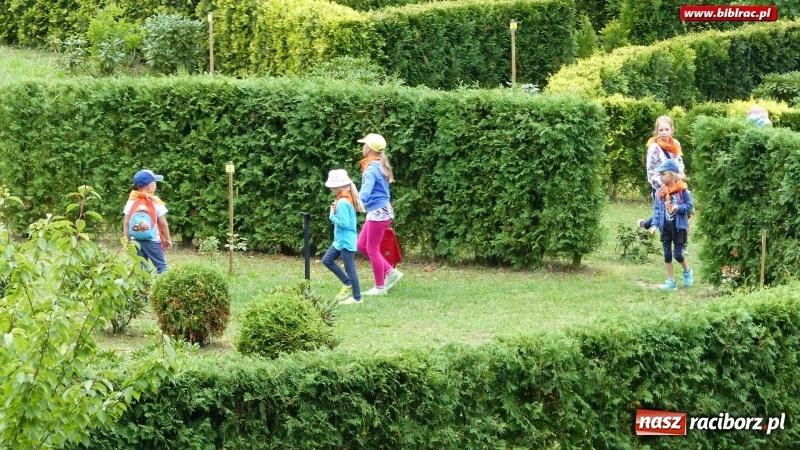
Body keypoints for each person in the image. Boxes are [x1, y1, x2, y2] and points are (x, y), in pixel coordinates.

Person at [356, 133, 403, 296]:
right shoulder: (377, 164)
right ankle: (391, 273)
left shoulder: (371, 168)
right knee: (361, 246)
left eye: (364, 145)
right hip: (379, 211)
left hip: (378, 212)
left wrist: (351, 203)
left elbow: (365, 193)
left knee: (371, 248)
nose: (362, 147)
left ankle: (380, 287)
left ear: (368, 148)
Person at [637, 159, 694, 291]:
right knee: (667, 255)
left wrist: (678, 208)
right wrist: (655, 225)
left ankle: (687, 271)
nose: (660, 177)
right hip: (666, 228)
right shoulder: (660, 193)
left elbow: (689, 206)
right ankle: (671, 282)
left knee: (678, 255)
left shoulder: (683, 191)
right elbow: (657, 211)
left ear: (673, 175)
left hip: (679, 227)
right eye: (660, 174)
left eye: (663, 174)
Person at [322, 169, 365, 305]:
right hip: (340, 240)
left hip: (346, 241)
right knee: (327, 260)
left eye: (332, 187)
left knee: (350, 269)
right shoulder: (343, 199)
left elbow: (345, 223)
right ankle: (347, 283)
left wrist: (332, 216)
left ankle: (357, 298)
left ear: (337, 187)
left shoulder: (343, 202)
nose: (331, 189)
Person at [123, 169, 172, 274]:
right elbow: (163, 223)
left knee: (142, 269)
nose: (156, 185)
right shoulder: (155, 201)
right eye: (155, 183)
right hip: (153, 240)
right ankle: (161, 288)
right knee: (161, 268)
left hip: (136, 241)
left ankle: (143, 289)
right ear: (150, 186)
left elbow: (127, 223)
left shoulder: (132, 200)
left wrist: (127, 240)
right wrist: (167, 239)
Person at [645, 115, 686, 201]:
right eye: (661, 130)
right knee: (662, 213)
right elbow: (651, 171)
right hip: (662, 189)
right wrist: (664, 184)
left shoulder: (676, 144)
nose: (664, 132)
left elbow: (679, 161)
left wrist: (681, 174)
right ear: (657, 131)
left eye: (667, 129)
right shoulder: (654, 147)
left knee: (678, 212)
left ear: (672, 129)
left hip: (677, 187)